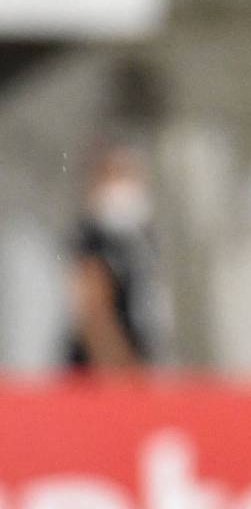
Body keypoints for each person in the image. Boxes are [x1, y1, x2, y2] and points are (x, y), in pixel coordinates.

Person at [62, 143, 162, 371]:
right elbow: (94, 314)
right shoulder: (92, 239)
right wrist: (124, 375)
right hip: (102, 374)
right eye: (112, 174)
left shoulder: (139, 238)